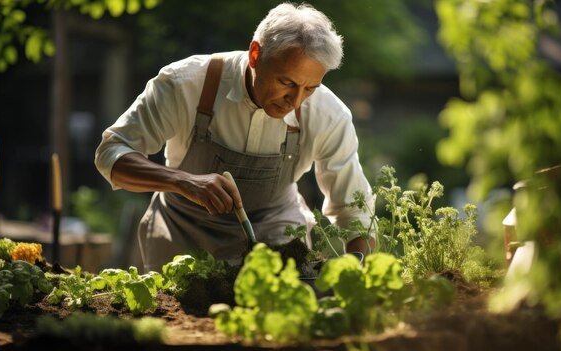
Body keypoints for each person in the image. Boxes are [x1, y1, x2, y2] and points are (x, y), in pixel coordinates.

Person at [94, 2, 375, 272]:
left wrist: (359, 272)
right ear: (255, 55)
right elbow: (112, 153)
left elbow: (354, 209)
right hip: (182, 233)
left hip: (276, 230)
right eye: (286, 82)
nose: (296, 100)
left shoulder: (328, 114)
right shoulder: (186, 84)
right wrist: (183, 181)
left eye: (310, 88)